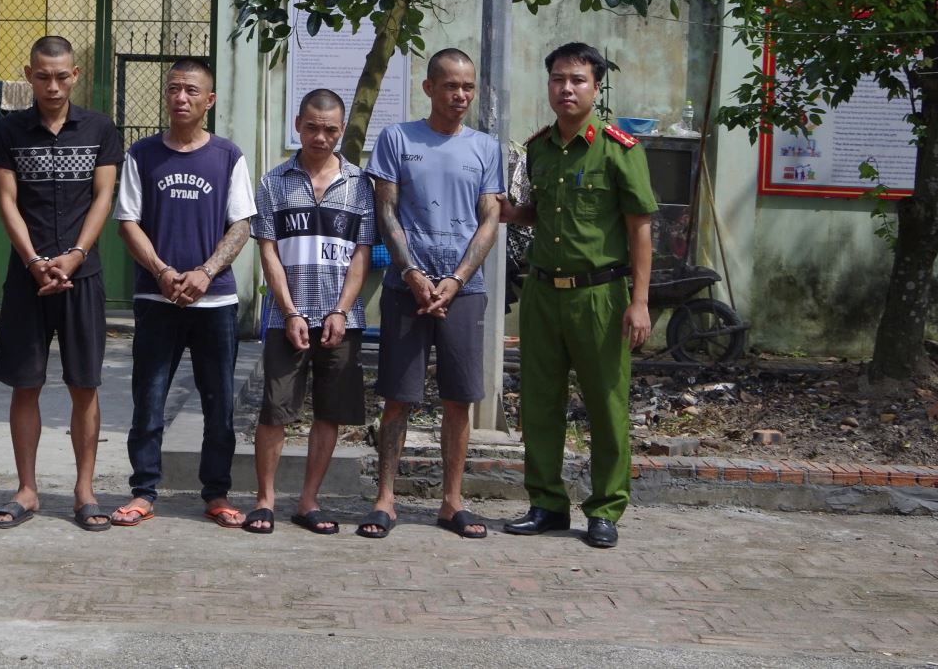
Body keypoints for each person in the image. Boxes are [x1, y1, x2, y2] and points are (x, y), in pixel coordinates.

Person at [501, 42, 656, 549]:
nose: (566, 89)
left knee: (606, 405)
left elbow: (639, 231)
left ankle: (606, 508)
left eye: (578, 80)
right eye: (558, 80)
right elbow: (537, 214)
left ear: (595, 87)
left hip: (601, 298)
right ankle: (546, 503)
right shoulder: (539, 148)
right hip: (544, 294)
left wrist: (639, 301)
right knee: (540, 404)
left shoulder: (619, 149)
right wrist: (505, 210)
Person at [360, 48, 503, 540]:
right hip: (407, 289)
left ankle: (451, 501)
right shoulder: (398, 139)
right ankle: (385, 499)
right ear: (429, 88)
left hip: (464, 290)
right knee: (398, 397)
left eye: (467, 87)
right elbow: (387, 211)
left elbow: (490, 220)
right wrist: (413, 272)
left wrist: (457, 279)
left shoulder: (486, 147)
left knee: (459, 398)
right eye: (450, 86)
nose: (460, 95)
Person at [0, 36, 123, 532]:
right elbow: (5, 201)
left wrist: (77, 254)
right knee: (26, 384)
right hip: (28, 280)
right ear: (28, 73)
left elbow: (104, 196)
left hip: (82, 276)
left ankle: (85, 492)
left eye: (62, 75)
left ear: (76, 74)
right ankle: (27, 489)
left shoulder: (101, 129)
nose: (52, 85)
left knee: (84, 384)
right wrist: (33, 260)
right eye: (42, 76)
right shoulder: (8, 131)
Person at [111, 58, 256, 528]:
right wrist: (162, 271)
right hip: (157, 300)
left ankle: (216, 493)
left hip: (214, 301)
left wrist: (206, 272)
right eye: (174, 89)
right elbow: (127, 221)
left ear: (208, 100)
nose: (181, 98)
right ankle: (143, 491)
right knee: (148, 398)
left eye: (192, 91)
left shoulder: (228, 156)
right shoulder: (142, 154)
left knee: (219, 404)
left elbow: (241, 224)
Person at [244, 89, 375, 536]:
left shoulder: (360, 185)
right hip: (288, 320)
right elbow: (268, 253)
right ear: (298, 124)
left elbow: (361, 254)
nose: (321, 137)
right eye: (312, 127)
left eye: (331, 129)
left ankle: (308, 501)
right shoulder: (273, 182)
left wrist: (340, 310)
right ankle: (264, 500)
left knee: (329, 413)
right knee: (275, 410)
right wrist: (290, 310)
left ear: (342, 131)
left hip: (342, 320)